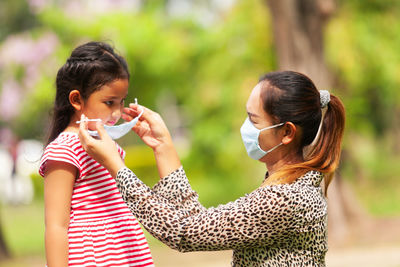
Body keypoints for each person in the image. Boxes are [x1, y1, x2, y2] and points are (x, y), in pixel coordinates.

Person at [79, 71, 345, 266]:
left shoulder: (286, 199)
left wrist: (116, 166)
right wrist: (163, 147)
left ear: (286, 132)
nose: (245, 127)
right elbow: (195, 221)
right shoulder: (291, 187)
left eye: (253, 120)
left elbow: (183, 232)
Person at [39, 41, 154, 267]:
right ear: (76, 100)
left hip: (123, 249)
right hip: (93, 255)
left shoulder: (106, 144)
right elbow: (56, 225)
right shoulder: (65, 150)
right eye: (109, 102)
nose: (117, 112)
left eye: (121, 102)